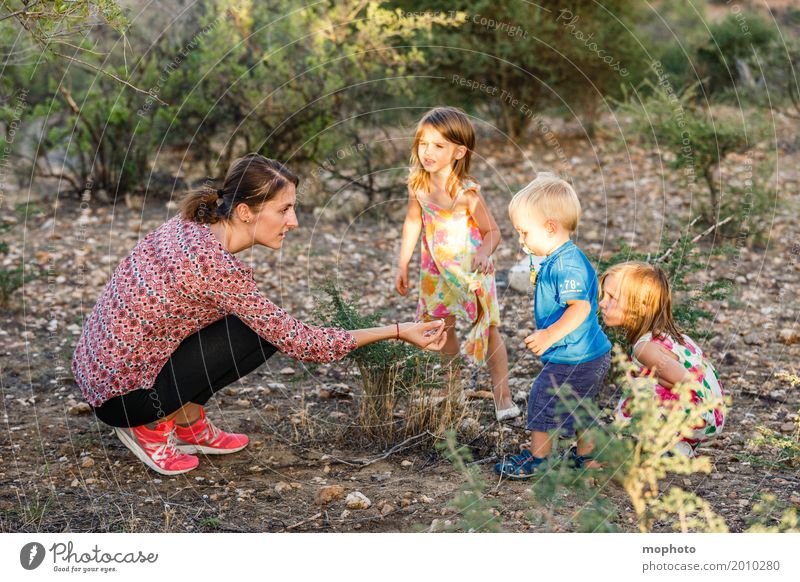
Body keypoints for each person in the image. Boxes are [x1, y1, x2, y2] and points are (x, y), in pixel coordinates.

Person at [71, 153, 446, 476]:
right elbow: (302, 342)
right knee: (260, 332)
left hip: (100, 373)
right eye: (284, 209)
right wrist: (398, 330)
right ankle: (150, 425)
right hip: (123, 398)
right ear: (245, 211)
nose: (293, 221)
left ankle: (186, 421)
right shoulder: (213, 264)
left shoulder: (192, 225)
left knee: (250, 326)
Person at [394, 106, 519, 421]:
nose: (428, 152)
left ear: (459, 151)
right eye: (423, 143)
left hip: (470, 269)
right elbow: (412, 222)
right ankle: (454, 393)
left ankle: (503, 397)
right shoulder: (418, 184)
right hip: (435, 270)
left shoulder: (466, 192)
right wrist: (403, 263)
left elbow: (493, 232)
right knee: (442, 327)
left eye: (438, 145)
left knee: (488, 328)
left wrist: (484, 254)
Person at [495, 172, 612, 479]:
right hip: (589, 355)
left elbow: (581, 307)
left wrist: (549, 334)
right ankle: (590, 458)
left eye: (524, 233)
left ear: (549, 227)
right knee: (579, 404)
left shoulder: (566, 264)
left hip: (575, 356)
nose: (521, 240)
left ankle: (539, 459)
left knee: (542, 397)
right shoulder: (560, 257)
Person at [599, 261, 726, 457]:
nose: (602, 302)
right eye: (603, 295)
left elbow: (688, 382)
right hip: (709, 411)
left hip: (703, 412)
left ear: (641, 306)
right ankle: (678, 447)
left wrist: (650, 378)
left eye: (612, 297)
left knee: (640, 386)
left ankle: (651, 443)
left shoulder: (645, 348)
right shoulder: (663, 335)